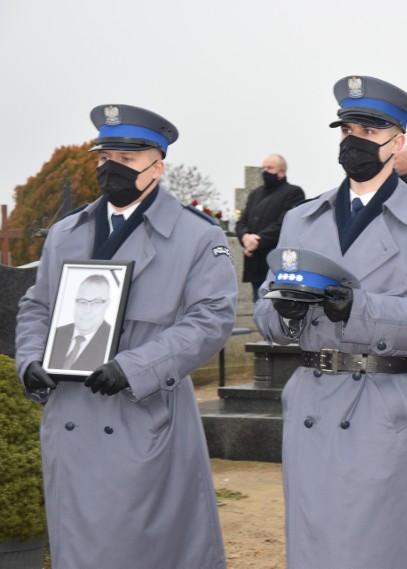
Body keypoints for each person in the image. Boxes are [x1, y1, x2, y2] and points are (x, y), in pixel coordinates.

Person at [253, 75, 407, 569]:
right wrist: (283, 316)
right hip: (312, 396)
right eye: (348, 128)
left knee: (381, 548)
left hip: (385, 403)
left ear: (398, 142)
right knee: (314, 544)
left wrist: (359, 308)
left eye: (369, 131)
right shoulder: (302, 219)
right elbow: (267, 309)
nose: (355, 141)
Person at [15, 103, 236, 569]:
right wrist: (31, 360)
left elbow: (212, 318)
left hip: (142, 415)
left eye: (127, 158)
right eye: (105, 156)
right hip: (71, 414)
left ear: (158, 165)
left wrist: (135, 367)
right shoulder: (65, 233)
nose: (111, 168)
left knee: (141, 552)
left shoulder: (195, 236)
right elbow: (37, 306)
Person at [236, 153, 305, 301]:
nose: (265, 171)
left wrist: (257, 241)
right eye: (263, 168)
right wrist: (246, 237)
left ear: (282, 172)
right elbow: (242, 222)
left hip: (276, 264)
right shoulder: (255, 194)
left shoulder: (293, 192)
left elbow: (284, 223)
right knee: (259, 310)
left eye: (270, 168)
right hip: (255, 263)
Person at [47, 273, 112, 371]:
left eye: (96, 302)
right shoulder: (55, 334)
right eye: (82, 301)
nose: (87, 310)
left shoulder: (114, 340)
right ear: (75, 302)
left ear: (107, 304)